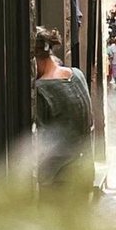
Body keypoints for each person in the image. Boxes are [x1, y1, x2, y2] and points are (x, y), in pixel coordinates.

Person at [32, 26, 94, 193]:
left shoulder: (42, 89)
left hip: (58, 179)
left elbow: (41, 140)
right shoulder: (77, 75)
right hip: (84, 170)